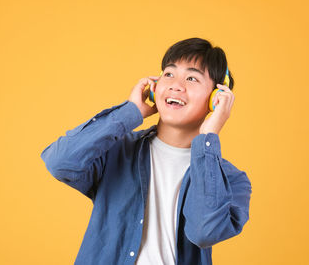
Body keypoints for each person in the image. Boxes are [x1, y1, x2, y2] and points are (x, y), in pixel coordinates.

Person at [40, 37, 252, 265]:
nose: (175, 85)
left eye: (192, 78)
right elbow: (60, 162)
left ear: (215, 99)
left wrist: (209, 138)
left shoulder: (231, 180)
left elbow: (204, 231)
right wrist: (130, 113)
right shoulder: (116, 150)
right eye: (169, 74)